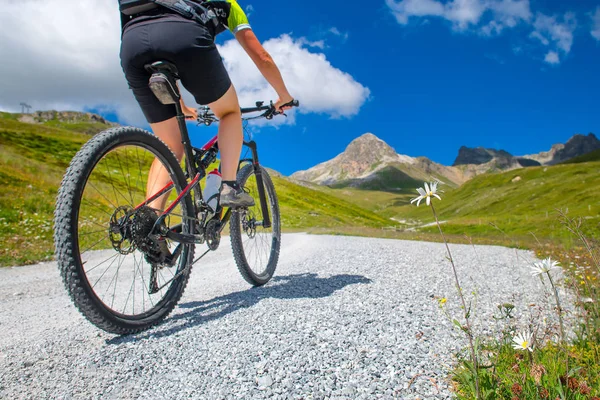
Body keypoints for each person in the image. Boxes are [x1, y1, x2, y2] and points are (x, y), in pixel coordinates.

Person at [119, 0, 294, 209]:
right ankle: (229, 186)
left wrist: (181, 105)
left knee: (170, 146)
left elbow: (158, 45)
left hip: (131, 44)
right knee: (230, 112)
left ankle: (150, 221)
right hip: (186, 38)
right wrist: (284, 96)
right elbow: (261, 56)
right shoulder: (228, 4)